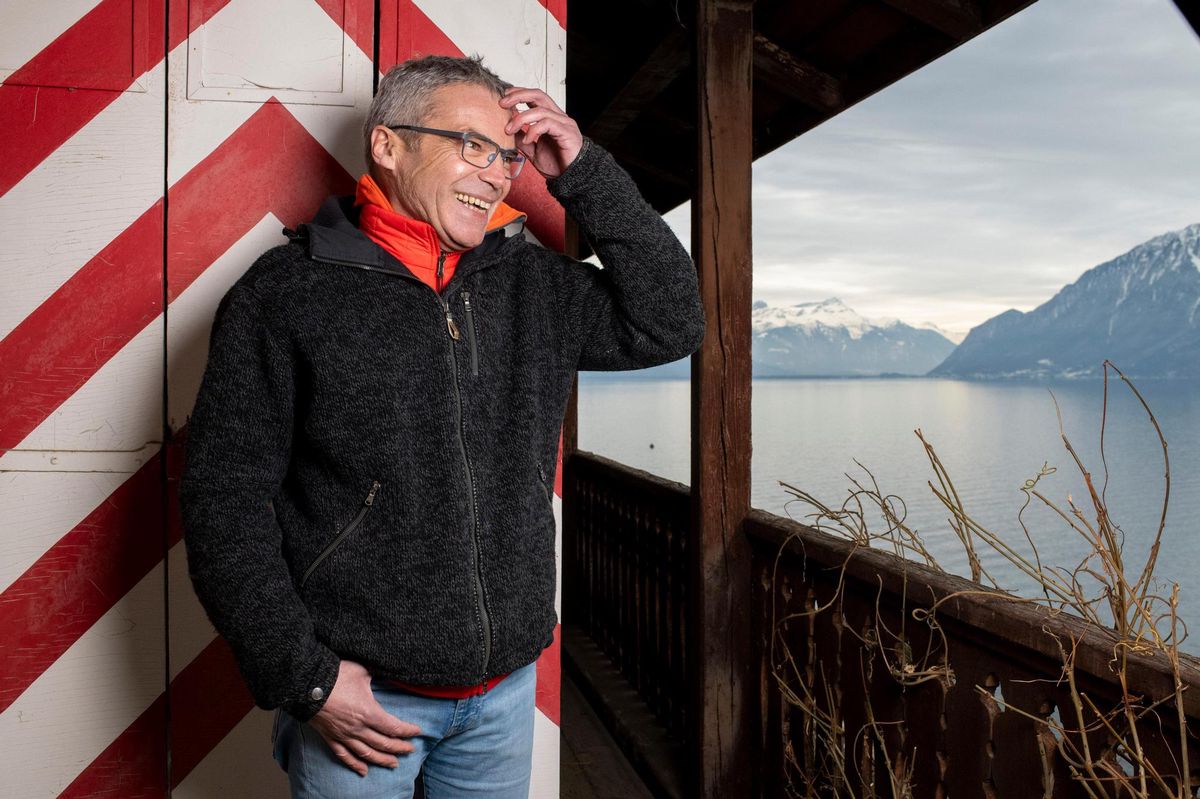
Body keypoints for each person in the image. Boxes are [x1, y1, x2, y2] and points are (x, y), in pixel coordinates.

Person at [179, 54, 704, 798]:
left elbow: (672, 320)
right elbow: (222, 502)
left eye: (508, 155)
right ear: (388, 145)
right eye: (472, 146)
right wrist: (306, 678)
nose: (496, 174)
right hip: (363, 710)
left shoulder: (535, 286)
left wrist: (581, 168)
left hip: (502, 700)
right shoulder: (284, 297)